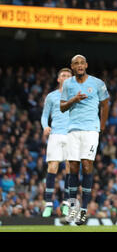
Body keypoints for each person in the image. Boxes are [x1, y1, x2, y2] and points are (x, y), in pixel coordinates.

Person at [60, 54, 109, 225]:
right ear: (72, 67)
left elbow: (105, 104)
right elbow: (62, 107)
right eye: (76, 63)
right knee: (73, 168)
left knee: (87, 165)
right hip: (73, 129)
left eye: (82, 63)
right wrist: (74, 99)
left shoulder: (97, 83)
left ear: (86, 65)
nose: (79, 65)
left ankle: (83, 210)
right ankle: (72, 210)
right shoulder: (67, 84)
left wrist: (102, 126)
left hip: (90, 130)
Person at [40, 67, 73, 217]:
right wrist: (45, 126)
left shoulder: (77, 96)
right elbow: (44, 115)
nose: (66, 77)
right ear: (58, 79)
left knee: (69, 168)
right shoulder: (51, 96)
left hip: (72, 135)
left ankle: (66, 203)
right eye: (63, 75)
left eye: (68, 76)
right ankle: (48, 204)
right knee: (52, 167)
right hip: (55, 134)